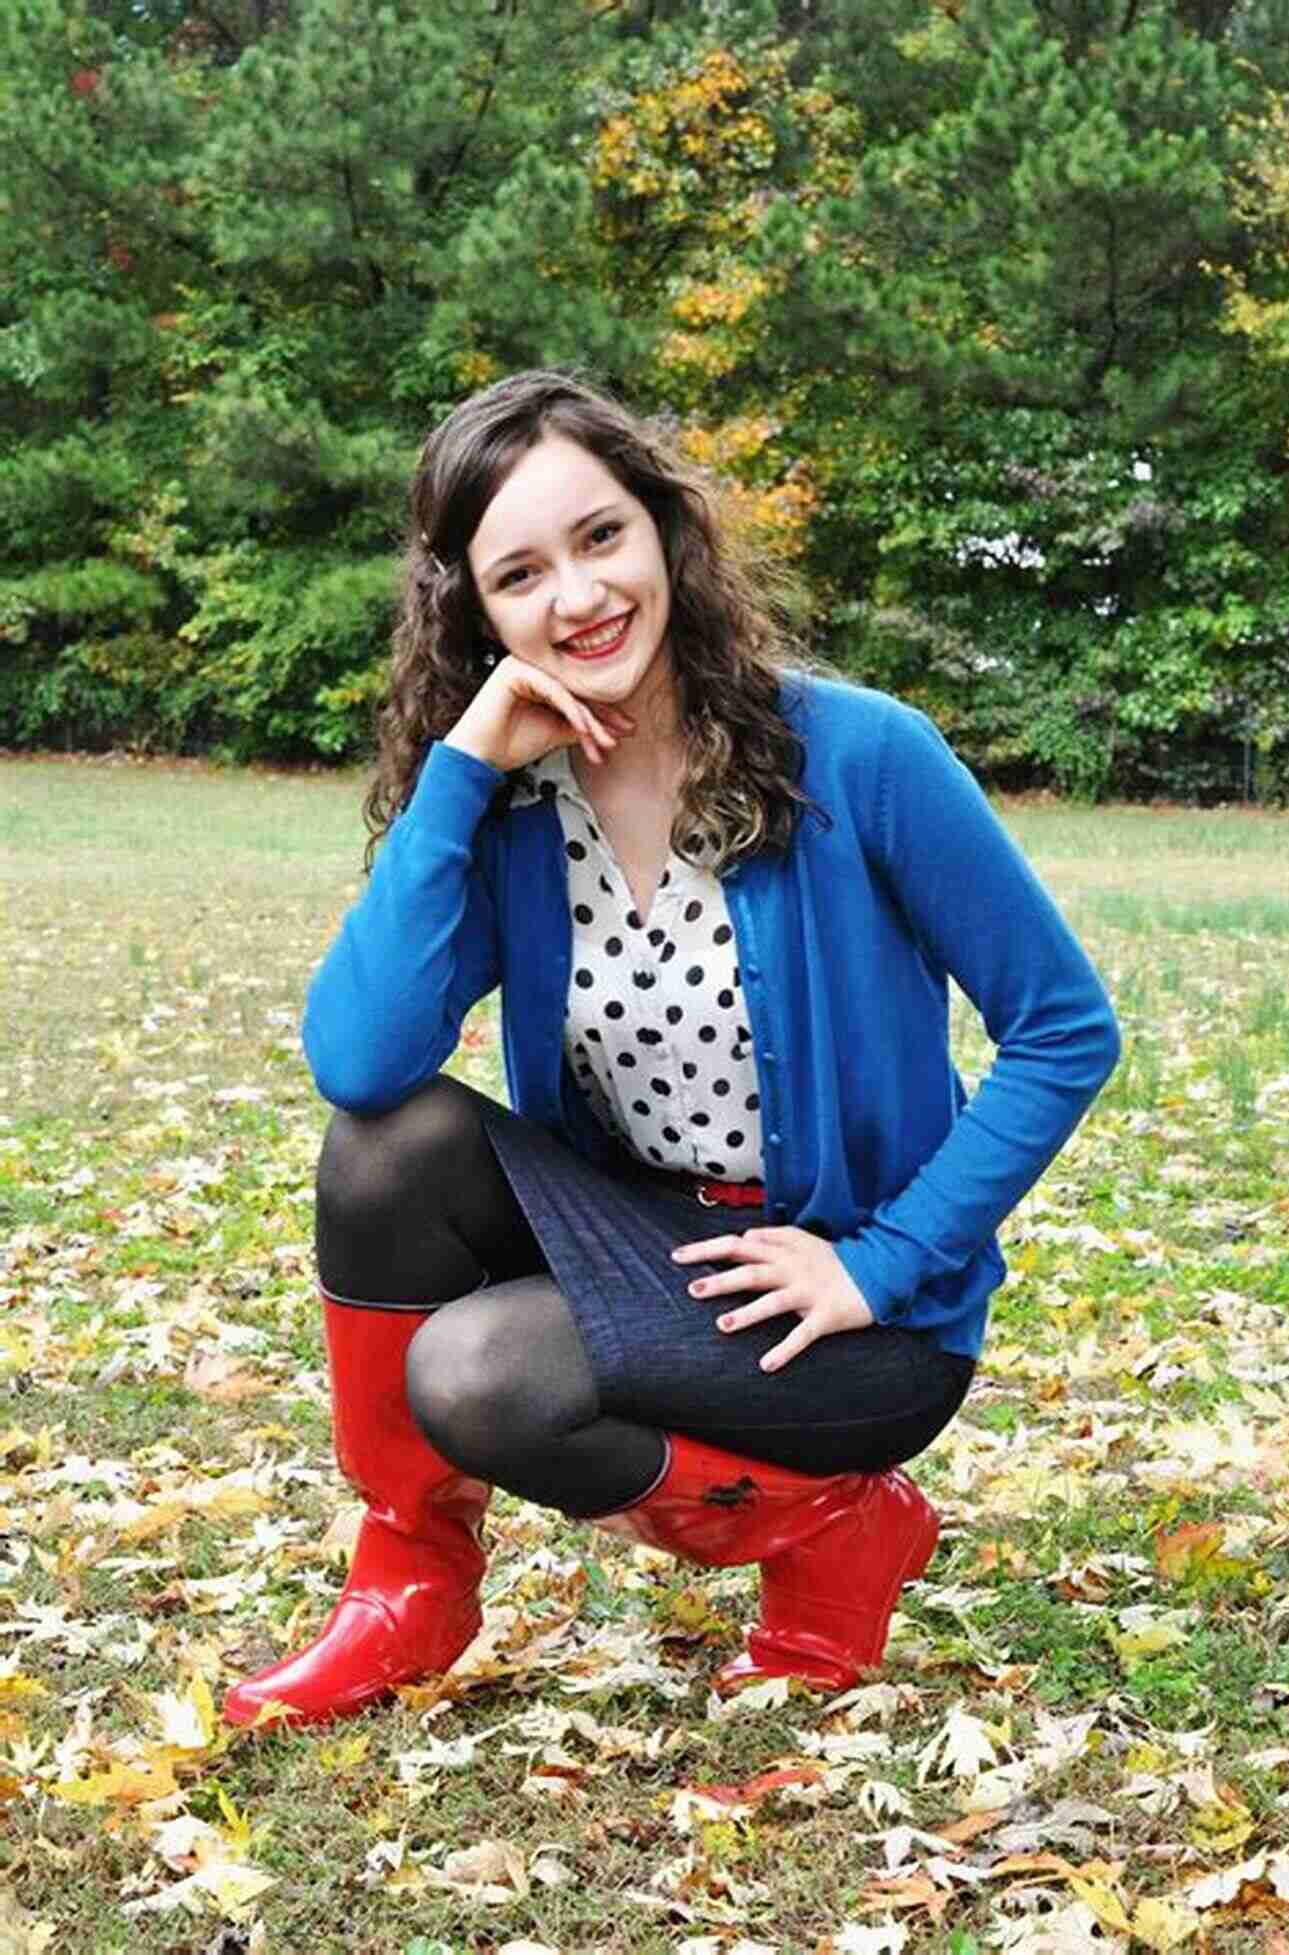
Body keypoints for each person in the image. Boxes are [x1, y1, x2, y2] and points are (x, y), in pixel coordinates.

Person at [222, 369, 1121, 1728]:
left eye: (599, 540)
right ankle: (410, 1582)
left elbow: (1065, 1029)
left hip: (849, 1307)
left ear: (663, 533)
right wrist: (464, 770)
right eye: (520, 573)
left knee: (481, 1374)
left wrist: (885, 1261)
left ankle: (840, 1528)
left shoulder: (862, 754)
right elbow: (360, 1058)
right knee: (382, 1150)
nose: (577, 597)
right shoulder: (522, 806)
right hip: (642, 1241)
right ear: (476, 611)